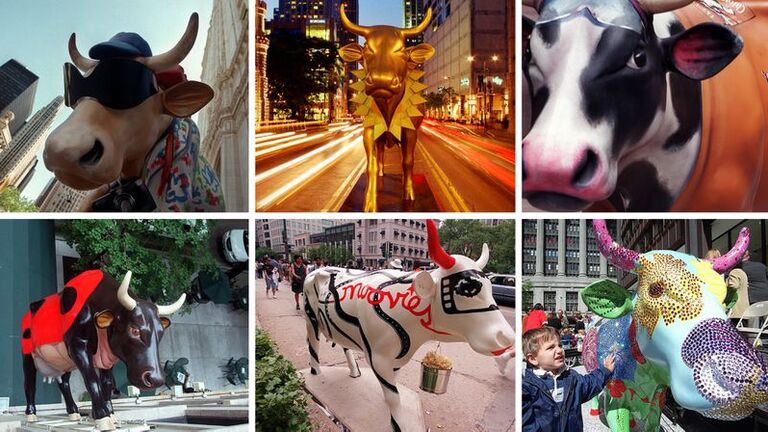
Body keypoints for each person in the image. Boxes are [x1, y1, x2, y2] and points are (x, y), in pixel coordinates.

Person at [522, 327, 615, 432]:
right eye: (551, 347)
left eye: (560, 345)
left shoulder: (570, 377)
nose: (559, 350)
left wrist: (606, 371)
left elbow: (589, 384)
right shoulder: (527, 386)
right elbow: (526, 423)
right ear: (533, 359)